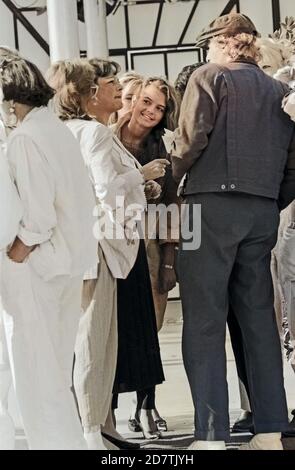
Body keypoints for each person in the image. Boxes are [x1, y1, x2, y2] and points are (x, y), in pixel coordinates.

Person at [172, 12, 295, 450]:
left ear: (222, 42)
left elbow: (189, 141)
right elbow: (293, 164)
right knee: (259, 320)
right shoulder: (281, 91)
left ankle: (210, 435)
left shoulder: (209, 76)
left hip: (206, 206)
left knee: (203, 320)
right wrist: (268, 199)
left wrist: (171, 181)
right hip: (262, 212)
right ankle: (269, 430)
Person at [0, 56, 97, 450]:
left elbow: (37, 218)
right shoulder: (55, 129)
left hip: (40, 266)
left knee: (38, 377)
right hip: (70, 262)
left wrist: (14, 257)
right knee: (55, 372)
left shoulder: (25, 138)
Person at [112, 76, 179, 437]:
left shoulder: (161, 148)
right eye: (146, 101)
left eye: (160, 108)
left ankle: (147, 406)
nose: (151, 111)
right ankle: (109, 416)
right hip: (110, 243)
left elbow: (171, 205)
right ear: (130, 98)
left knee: (149, 331)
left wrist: (169, 260)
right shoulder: (104, 138)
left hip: (152, 249)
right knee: (114, 330)